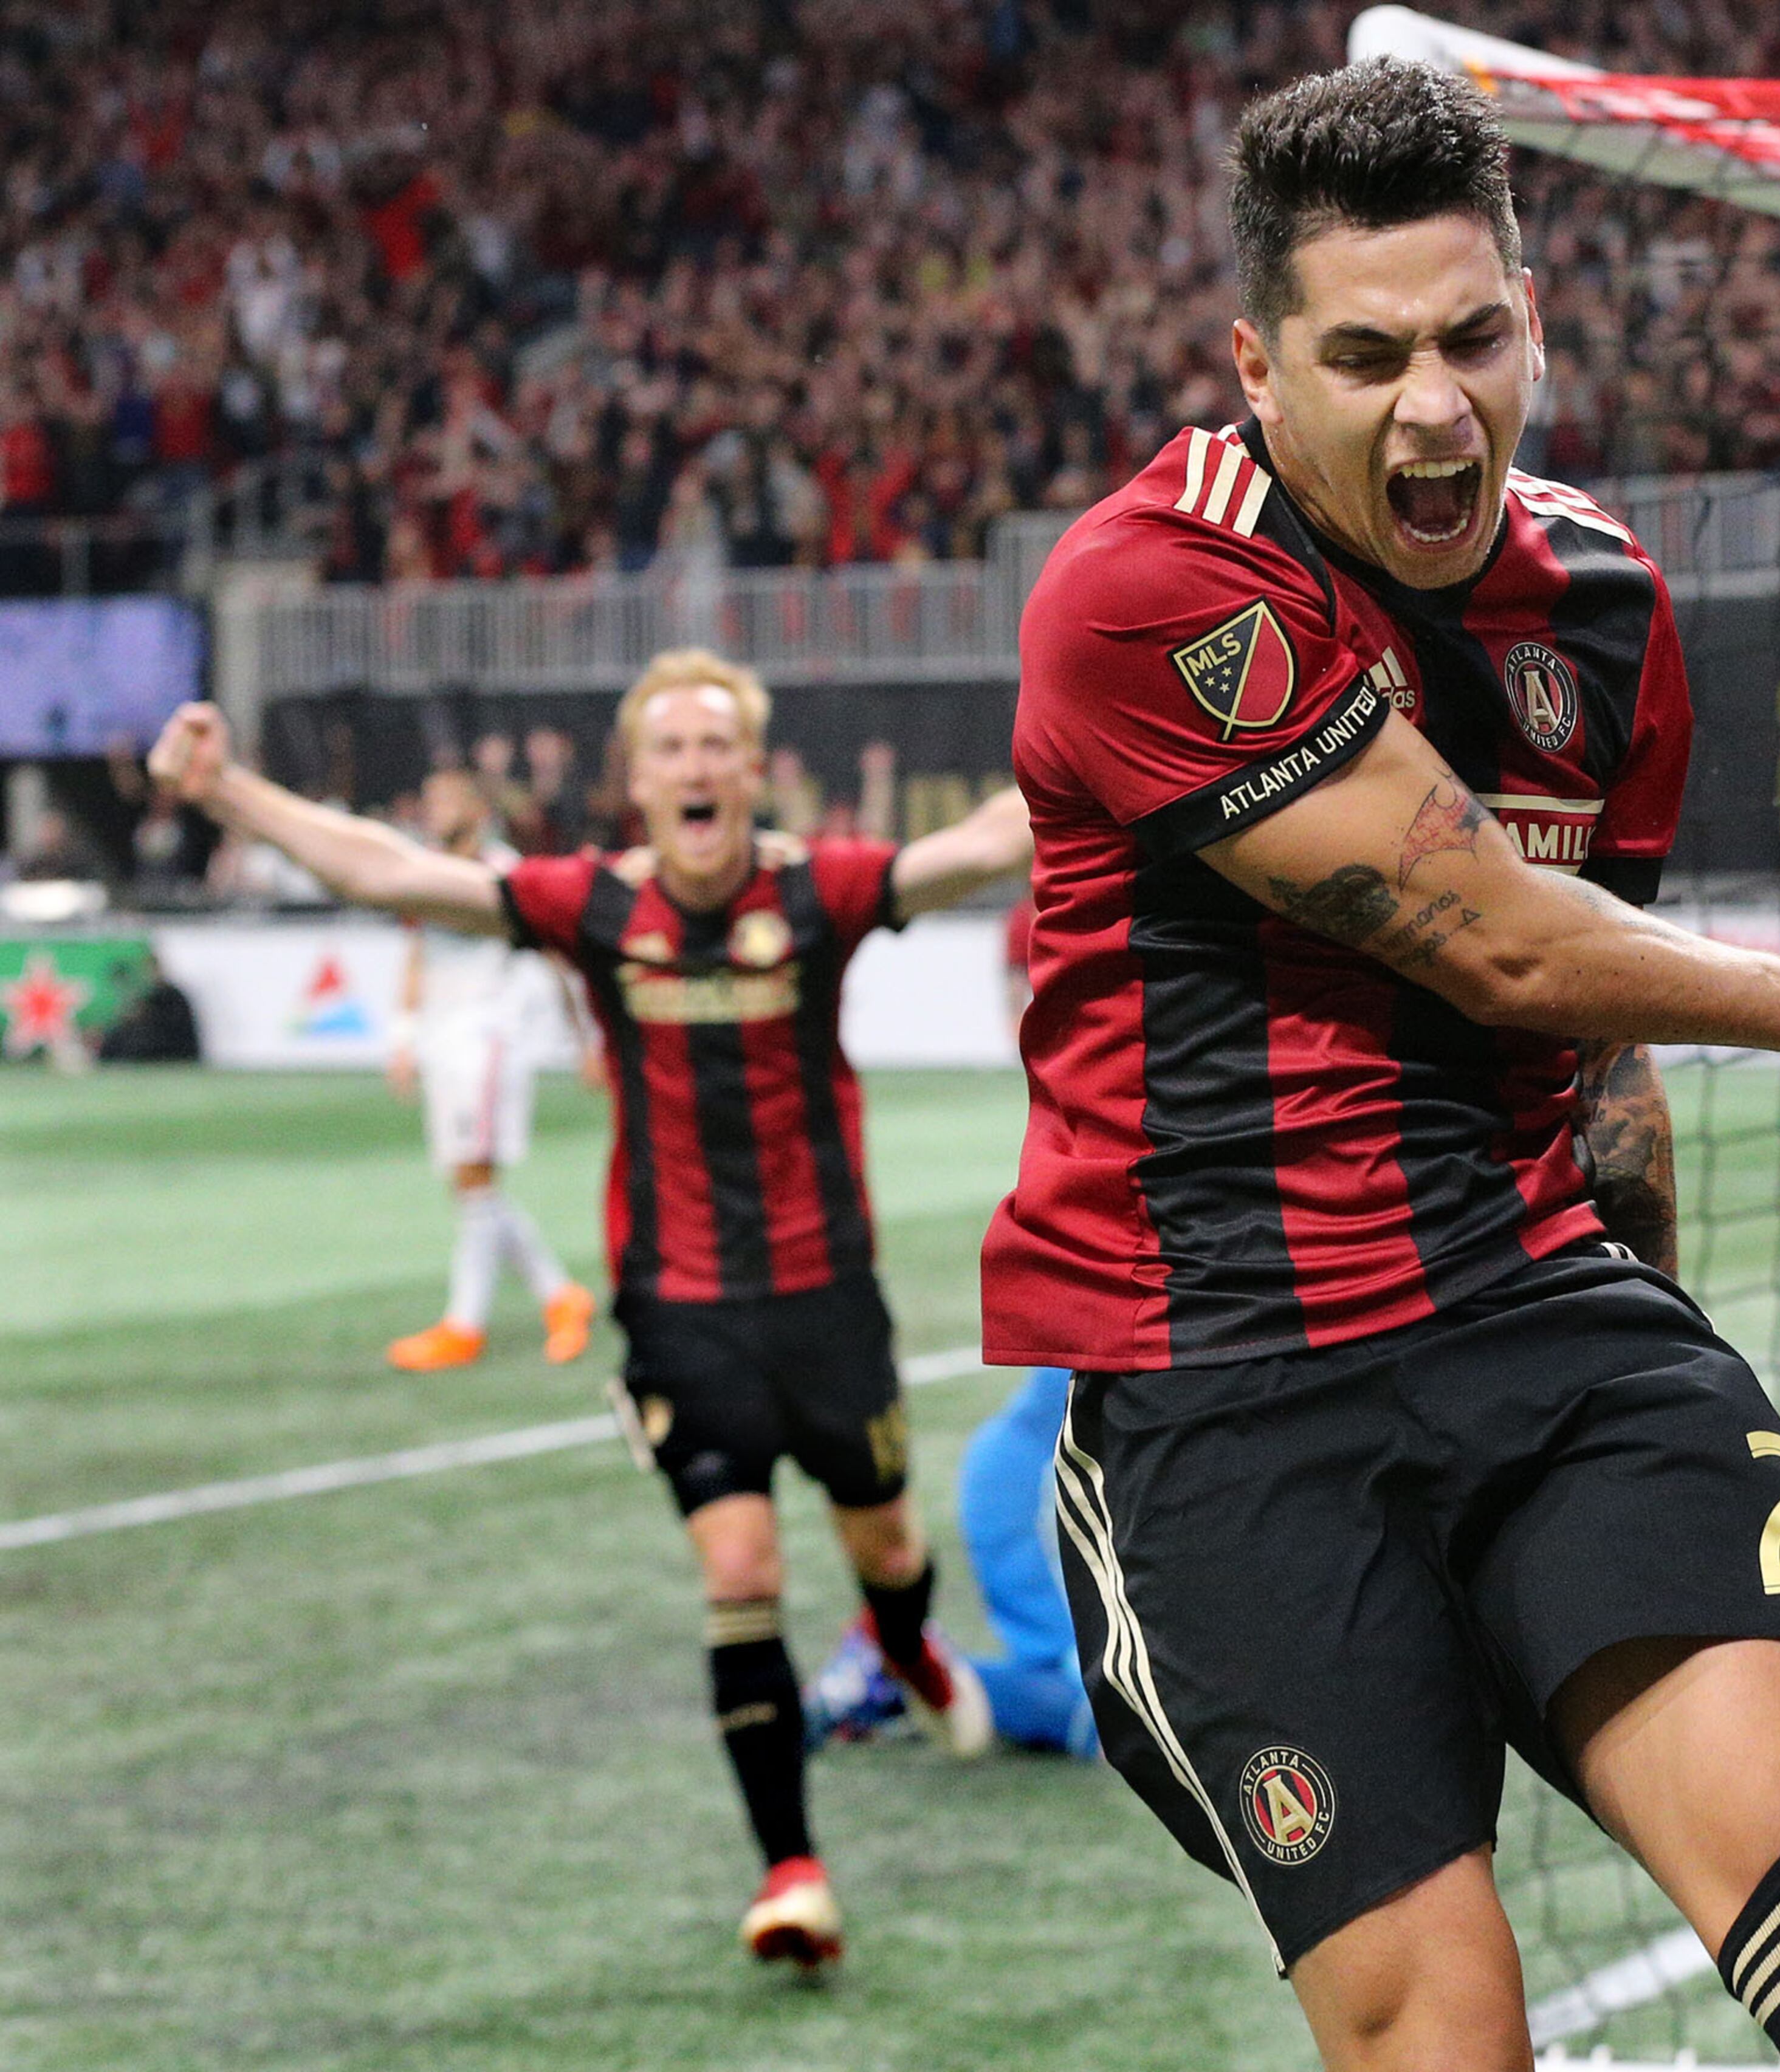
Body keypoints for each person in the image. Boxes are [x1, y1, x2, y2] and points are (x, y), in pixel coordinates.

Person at [983, 60, 1780, 2072]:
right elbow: (1493, 935)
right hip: (1232, 1388)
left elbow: (1592, 1019)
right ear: (1260, 367)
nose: (1433, 403)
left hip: (1539, 1314)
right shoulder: (1154, 588)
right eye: (1366, 355)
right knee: (1445, 2030)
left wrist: (1654, 1342)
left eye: (1473, 337)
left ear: (1530, 314)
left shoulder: (1602, 602)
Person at [148, 644, 1034, 1973]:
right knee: (742, 1571)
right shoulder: (593, 906)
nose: (694, 766)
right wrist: (228, 795)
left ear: (752, 770)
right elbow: (393, 871)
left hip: (829, 1298)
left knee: (888, 1543)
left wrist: (1139, 732)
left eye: (714, 744)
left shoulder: (819, 887)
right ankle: (792, 1871)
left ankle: (905, 1646)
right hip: (679, 1307)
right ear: (636, 780)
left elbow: (979, 845)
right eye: (669, 747)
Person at [380, 766, 596, 1374]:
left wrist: (588, 1039)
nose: (433, 807)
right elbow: (418, 955)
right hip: (443, 1040)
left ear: (478, 807)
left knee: (476, 1182)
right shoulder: (425, 871)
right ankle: (561, 1295)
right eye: (429, 796)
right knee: (471, 1187)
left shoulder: (504, 875)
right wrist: (404, 1035)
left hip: (490, 1038)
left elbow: (557, 955)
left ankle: (465, 1323)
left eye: (446, 797)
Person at [805, 1365, 1098, 1760]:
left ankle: (909, 1661)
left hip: (1071, 1470)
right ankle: (898, 1664)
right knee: (1122, 1715)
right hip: (1046, 1486)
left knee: (1156, 1695)